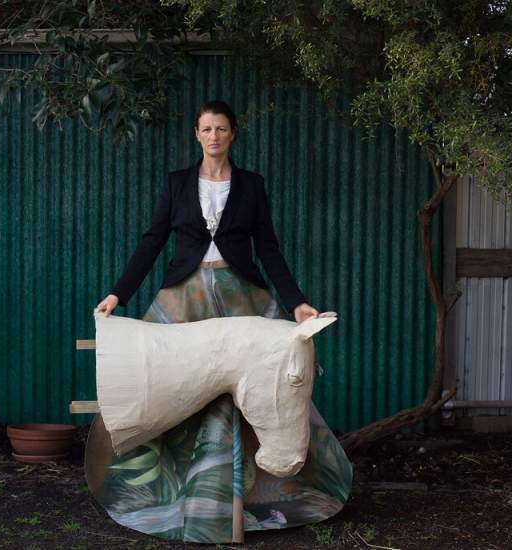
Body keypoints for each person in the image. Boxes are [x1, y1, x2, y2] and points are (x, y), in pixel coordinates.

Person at [88, 100, 352, 543]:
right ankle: (182, 502)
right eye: (207, 129)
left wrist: (297, 303)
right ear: (197, 134)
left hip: (239, 295)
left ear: (232, 134)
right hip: (185, 297)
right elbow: (152, 242)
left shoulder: (251, 185)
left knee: (272, 383)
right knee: (164, 386)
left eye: (222, 129)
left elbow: (268, 247)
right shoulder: (177, 185)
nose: (214, 136)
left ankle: (242, 505)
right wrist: (119, 293)